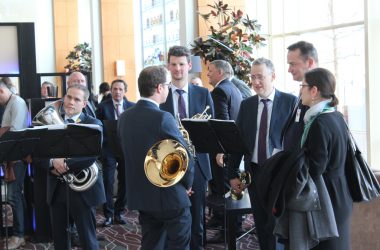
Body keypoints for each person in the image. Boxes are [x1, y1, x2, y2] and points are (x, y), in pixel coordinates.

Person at [118, 65, 194, 250]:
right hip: (169, 195)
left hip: (142, 196)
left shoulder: (124, 117)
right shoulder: (162, 117)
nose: (168, 89)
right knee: (179, 244)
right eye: (168, 85)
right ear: (160, 88)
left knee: (151, 244)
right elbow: (184, 156)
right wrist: (187, 184)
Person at [228, 58, 297, 250]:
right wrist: (232, 173)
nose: (256, 82)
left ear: (273, 76)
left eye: (260, 77)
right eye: (253, 77)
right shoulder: (247, 105)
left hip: (280, 173)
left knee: (278, 223)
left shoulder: (290, 102)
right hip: (255, 172)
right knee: (261, 223)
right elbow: (238, 142)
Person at [160, 45, 214, 249]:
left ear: (189, 65)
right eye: (173, 64)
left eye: (182, 64)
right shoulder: (161, 94)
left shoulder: (203, 93)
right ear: (168, 66)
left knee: (197, 218)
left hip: (198, 164)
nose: (177, 69)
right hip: (170, 163)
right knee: (171, 216)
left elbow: (211, 129)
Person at [46, 84, 106, 250]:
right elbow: (38, 155)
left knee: (88, 240)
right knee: (60, 241)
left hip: (83, 192)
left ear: (84, 104)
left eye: (77, 99)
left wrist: (64, 163)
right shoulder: (51, 122)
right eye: (69, 97)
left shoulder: (93, 123)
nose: (71, 102)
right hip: (57, 190)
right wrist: (51, 162)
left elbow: (91, 155)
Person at [299, 67, 352, 249]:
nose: (300, 91)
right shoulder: (335, 116)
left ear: (314, 91)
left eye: (302, 86)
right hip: (341, 193)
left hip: (327, 198)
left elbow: (316, 168)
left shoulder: (319, 123)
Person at [206, 59, 243, 241]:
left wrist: (221, 149)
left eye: (210, 70)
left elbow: (222, 121)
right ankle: (224, 221)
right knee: (229, 190)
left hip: (224, 149)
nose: (207, 74)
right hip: (232, 148)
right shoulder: (234, 89)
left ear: (220, 72)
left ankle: (229, 230)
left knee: (225, 190)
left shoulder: (220, 90)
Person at [96, 79, 134, 227]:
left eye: (120, 89)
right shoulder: (102, 107)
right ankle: (108, 214)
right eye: (115, 89)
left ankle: (119, 212)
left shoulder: (132, 107)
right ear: (111, 91)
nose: (117, 92)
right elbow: (97, 128)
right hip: (108, 149)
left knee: (125, 181)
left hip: (125, 149)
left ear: (125, 91)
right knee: (108, 181)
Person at [0, 79, 29, 249]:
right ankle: (21, 233)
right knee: (16, 196)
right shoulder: (11, 102)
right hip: (11, 157)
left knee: (13, 196)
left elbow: (15, 131)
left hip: (17, 158)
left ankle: (18, 235)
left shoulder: (17, 102)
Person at [282, 41, 318, 151]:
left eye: (292, 64)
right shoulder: (304, 89)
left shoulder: (320, 93)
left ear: (310, 62)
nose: (289, 69)